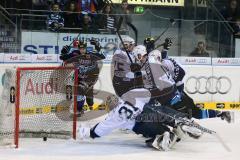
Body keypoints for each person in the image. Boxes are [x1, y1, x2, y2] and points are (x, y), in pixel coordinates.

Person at [77, 45, 204, 151]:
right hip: (157, 102)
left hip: (144, 123)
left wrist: (88, 132)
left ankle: (168, 133)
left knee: (150, 124)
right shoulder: (132, 96)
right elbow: (146, 93)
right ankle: (179, 121)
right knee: (157, 111)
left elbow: (102, 128)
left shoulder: (115, 116)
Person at [60, 39, 105, 115]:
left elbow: (102, 56)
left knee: (90, 101)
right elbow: (62, 58)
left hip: (89, 79)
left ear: (86, 48)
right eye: (80, 48)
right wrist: (64, 52)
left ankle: (88, 103)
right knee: (79, 94)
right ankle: (79, 109)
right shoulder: (75, 54)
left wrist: (98, 47)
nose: (82, 50)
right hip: (79, 78)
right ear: (78, 48)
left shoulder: (91, 54)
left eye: (83, 48)